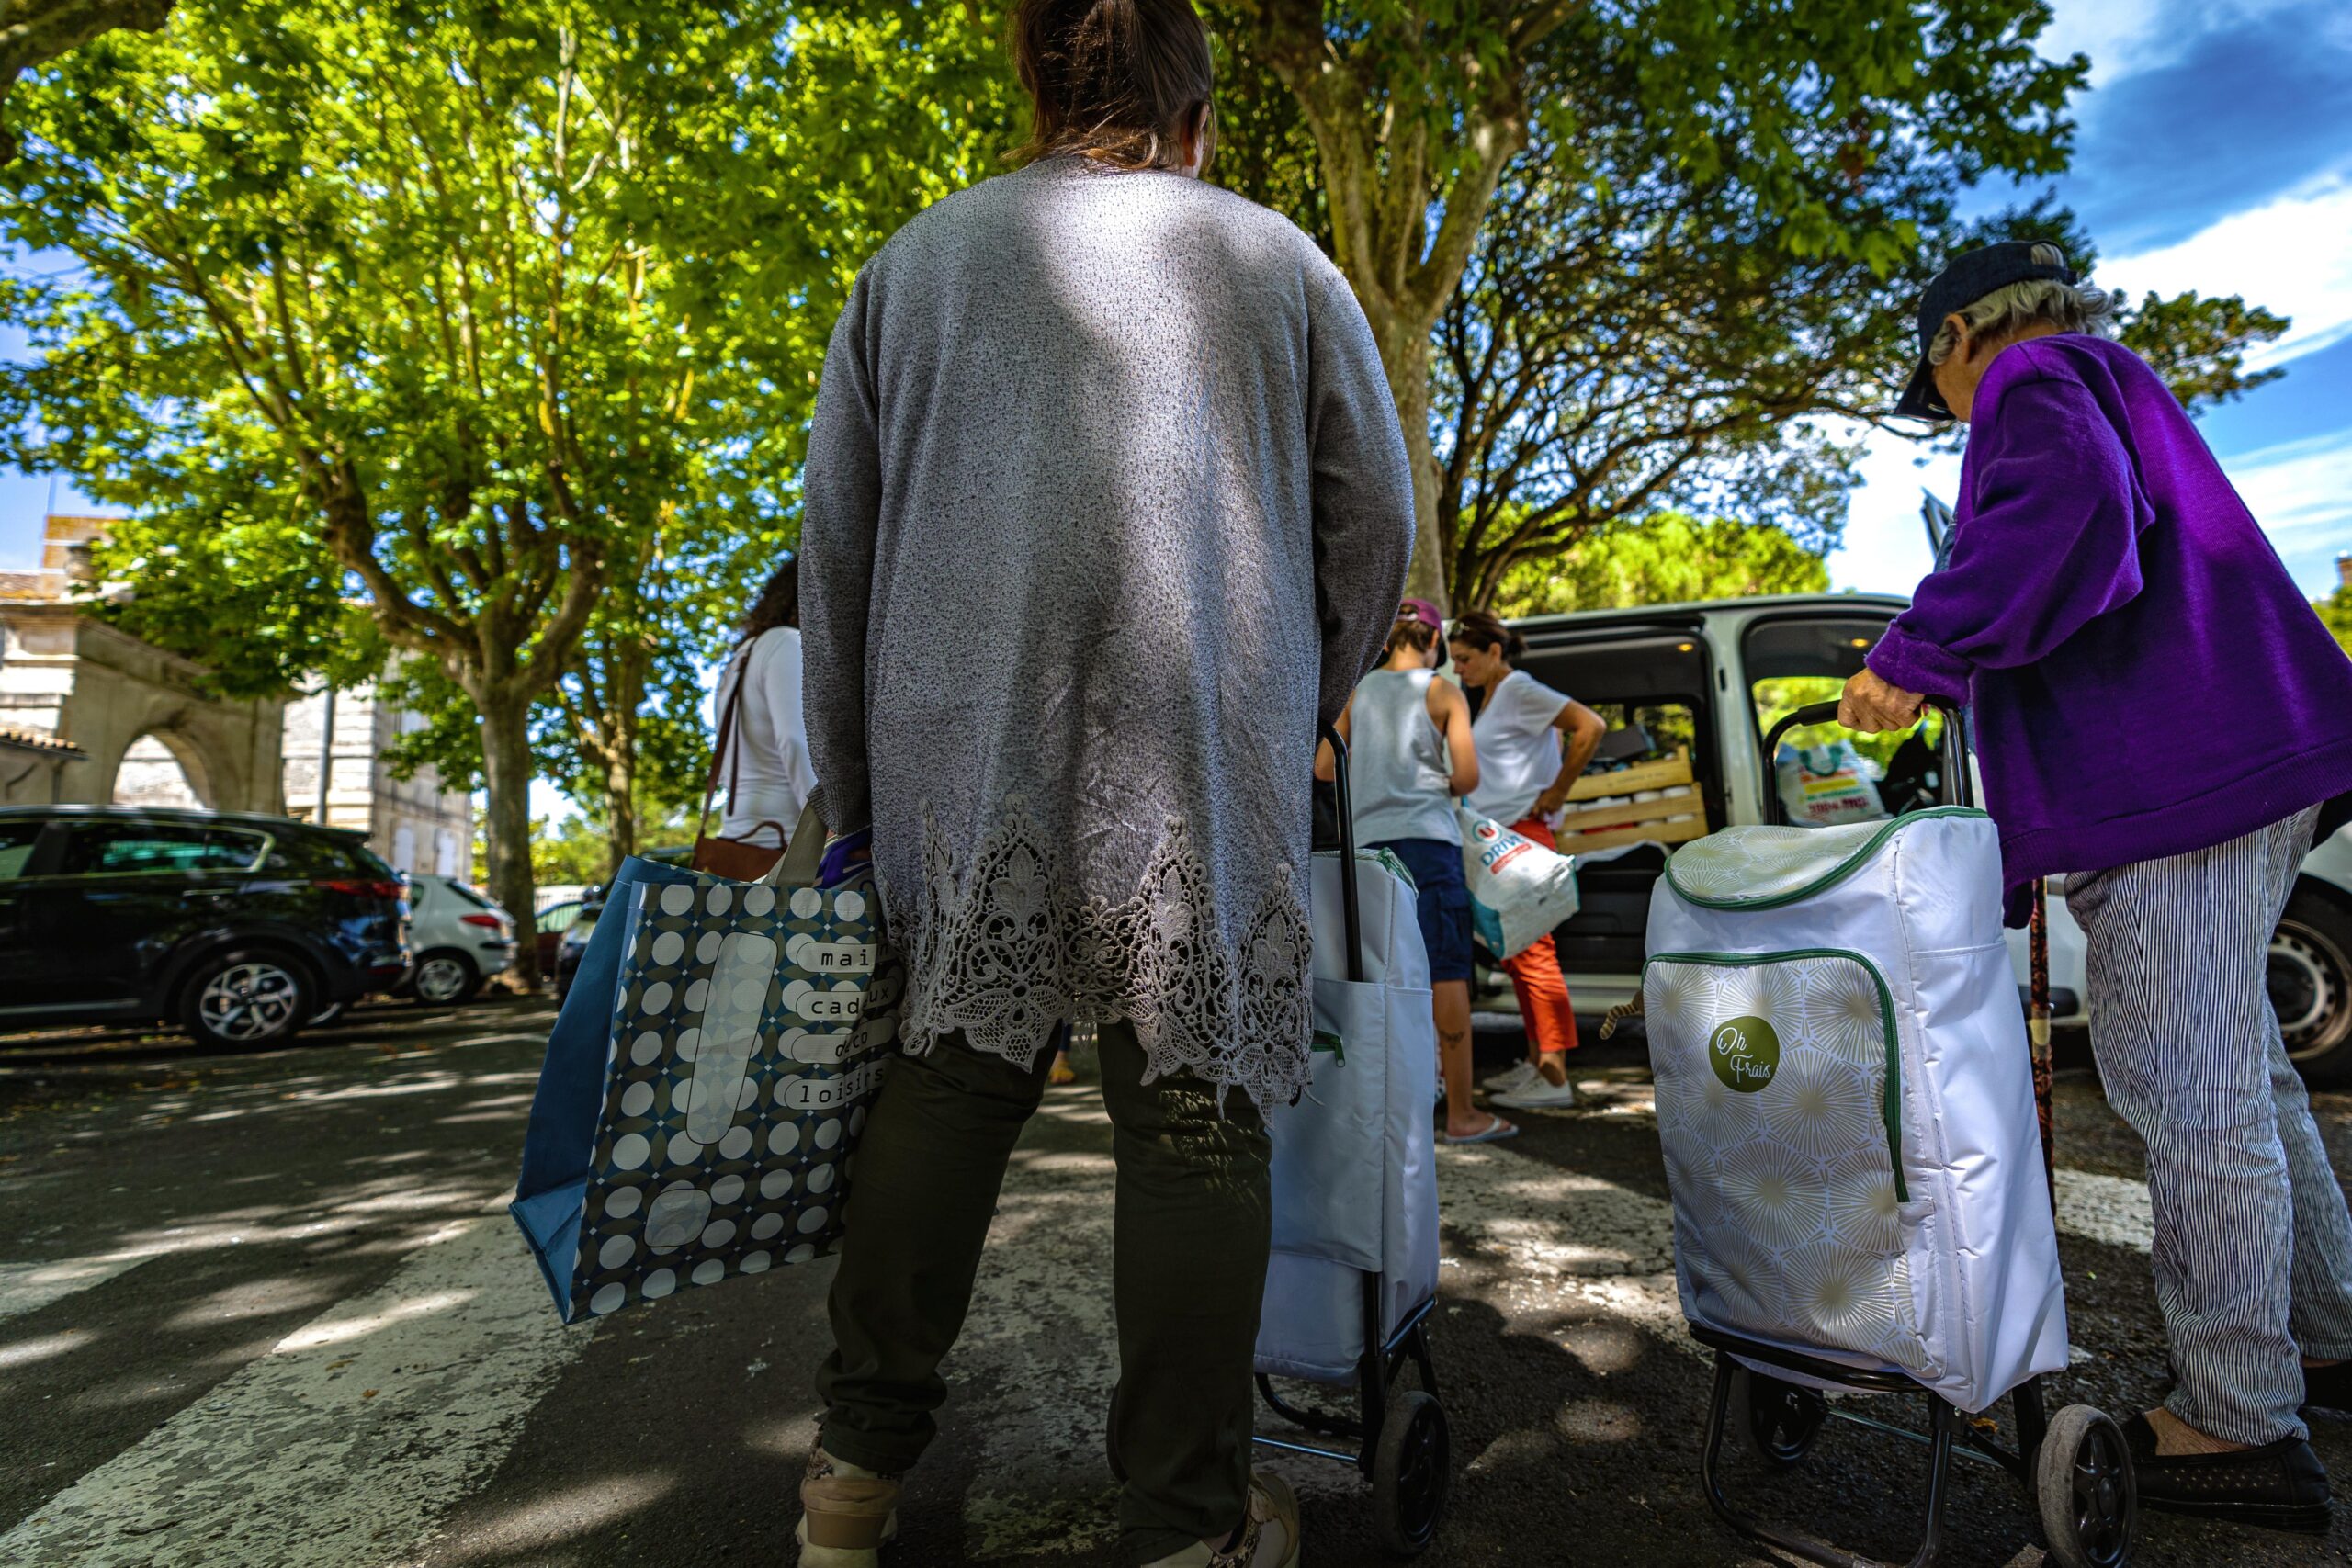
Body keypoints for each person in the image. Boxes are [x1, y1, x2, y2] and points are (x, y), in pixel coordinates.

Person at [793, 4, 1416, 1564]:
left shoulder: (915, 263)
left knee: (946, 1082)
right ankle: (1182, 1524)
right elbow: (1374, 525)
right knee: (1194, 1119)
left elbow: (838, 558)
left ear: (1035, 88)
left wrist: (856, 802)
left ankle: (848, 1489)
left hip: (959, 739)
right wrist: (1308, 699)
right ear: (1197, 112)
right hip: (1203, 736)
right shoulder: (1279, 262)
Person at [1841, 239, 2352, 1535]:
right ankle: (2329, 1331)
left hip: (2181, 765)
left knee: (2192, 1093)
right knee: (2245, 1078)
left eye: (1936, 377)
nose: (1948, 407)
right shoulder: (2106, 373)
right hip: (2243, 754)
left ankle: (2240, 1412)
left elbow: (2068, 506)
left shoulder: (2037, 378)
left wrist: (1922, 645)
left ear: (1963, 332)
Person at [1321, 599, 1511, 1144]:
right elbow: (1468, 776)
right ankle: (1461, 1114)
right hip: (1429, 843)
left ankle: (1381, 1112)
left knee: (1378, 971)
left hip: (1368, 851)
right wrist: (1434, 785)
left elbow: (1323, 767)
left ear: (1385, 642)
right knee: (1445, 969)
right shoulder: (1443, 691)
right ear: (1435, 643)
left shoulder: (1359, 691)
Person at [1446, 609, 1606, 1111]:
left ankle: (1554, 1074)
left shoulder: (1518, 688)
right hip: (1501, 837)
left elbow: (1590, 726)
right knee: (1518, 954)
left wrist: (1558, 791)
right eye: (1454, 661)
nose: (1459, 669)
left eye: (1466, 659)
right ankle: (1540, 1063)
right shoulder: (1493, 696)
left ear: (1495, 652)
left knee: (1534, 956)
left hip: (1521, 836)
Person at [707, 559, 816, 852]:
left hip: (740, 831)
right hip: (785, 837)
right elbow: (795, 742)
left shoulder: (743, 655)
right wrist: (828, 827)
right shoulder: (787, 643)